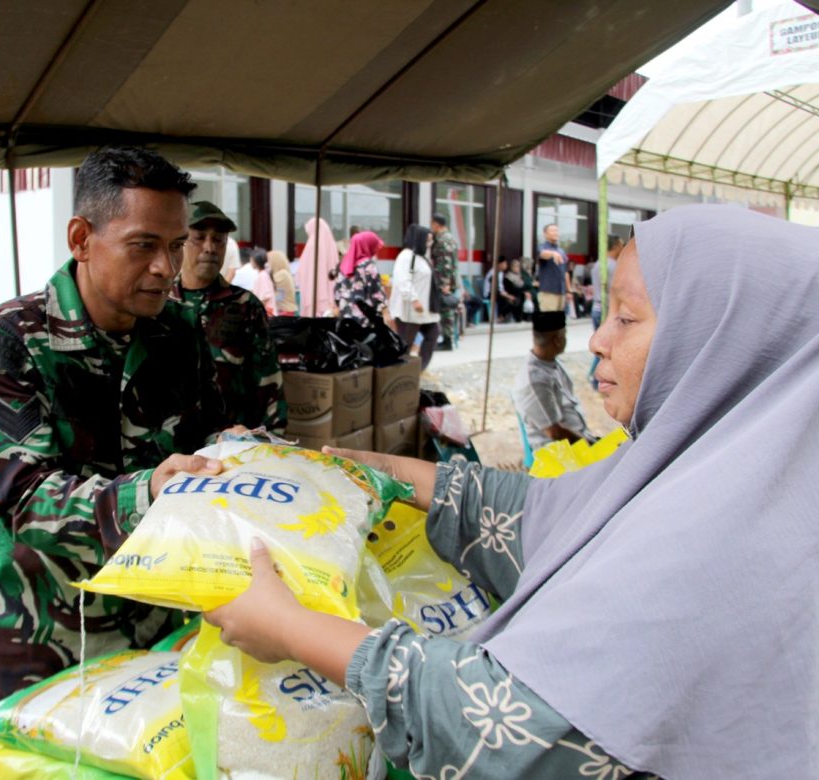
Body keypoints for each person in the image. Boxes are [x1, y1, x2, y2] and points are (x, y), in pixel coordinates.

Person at [205, 204, 819, 779]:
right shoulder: (710, 470)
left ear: (726, 338)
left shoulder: (720, 543)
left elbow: (508, 722)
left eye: (627, 318)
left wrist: (288, 629)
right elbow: (534, 515)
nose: (599, 341)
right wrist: (351, 467)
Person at [0, 147, 229, 715]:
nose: (167, 267)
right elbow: (27, 502)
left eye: (175, 246)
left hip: (156, 629)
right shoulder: (4, 342)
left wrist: (239, 454)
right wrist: (150, 490)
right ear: (81, 238)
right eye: (144, 245)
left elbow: (205, 443)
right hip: (41, 641)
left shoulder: (178, 334)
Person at [170, 202, 286, 432]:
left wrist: (272, 441)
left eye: (218, 240)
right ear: (180, 242)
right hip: (171, 448)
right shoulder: (160, 303)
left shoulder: (245, 306)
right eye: (199, 237)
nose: (210, 247)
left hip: (231, 446)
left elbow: (268, 380)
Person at [511, 310, 595, 449]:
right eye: (565, 335)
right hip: (558, 452)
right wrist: (589, 444)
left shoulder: (550, 363)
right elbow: (555, 432)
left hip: (577, 440)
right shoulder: (534, 381)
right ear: (557, 339)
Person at [389, 224, 440, 369]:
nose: (429, 244)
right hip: (411, 309)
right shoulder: (406, 256)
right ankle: (398, 373)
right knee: (406, 342)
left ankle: (419, 369)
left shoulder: (420, 257)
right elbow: (402, 281)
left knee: (433, 333)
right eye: (427, 240)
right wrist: (414, 299)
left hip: (424, 309)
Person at [589, 235, 623, 387]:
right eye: (621, 245)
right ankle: (596, 379)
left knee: (602, 348)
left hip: (596, 308)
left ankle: (593, 376)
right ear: (615, 246)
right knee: (607, 348)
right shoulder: (614, 266)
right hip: (606, 310)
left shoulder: (598, 264)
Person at [333, 230, 388, 325]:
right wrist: (385, 311)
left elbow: (337, 293)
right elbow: (376, 293)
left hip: (345, 317)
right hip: (365, 319)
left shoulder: (344, 264)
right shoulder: (369, 266)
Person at [296, 217, 339, 316]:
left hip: (312, 289)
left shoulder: (312, 245)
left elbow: (306, 271)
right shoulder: (331, 244)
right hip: (328, 290)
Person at [430, 212, 459, 347]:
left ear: (436, 224)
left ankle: (448, 340)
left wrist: (445, 283)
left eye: (432, 224)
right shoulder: (450, 238)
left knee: (446, 310)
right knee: (446, 309)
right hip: (448, 280)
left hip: (443, 281)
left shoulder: (443, 240)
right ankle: (448, 339)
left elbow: (445, 263)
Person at [536, 223, 569, 312]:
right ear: (545, 233)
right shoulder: (541, 247)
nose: (555, 233)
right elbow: (542, 254)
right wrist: (552, 254)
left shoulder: (561, 250)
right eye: (552, 231)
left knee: (559, 323)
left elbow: (565, 272)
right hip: (548, 292)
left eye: (556, 231)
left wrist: (569, 290)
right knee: (549, 322)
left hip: (561, 291)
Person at [267, 249, 298, 316]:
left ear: (275, 262)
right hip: (285, 310)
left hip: (284, 311)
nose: (267, 264)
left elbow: (268, 288)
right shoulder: (284, 273)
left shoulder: (282, 274)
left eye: (268, 261)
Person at [248, 247, 277, 316]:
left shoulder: (262, 276)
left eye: (251, 259)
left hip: (266, 314)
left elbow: (264, 297)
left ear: (255, 261)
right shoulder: (264, 274)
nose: (250, 261)